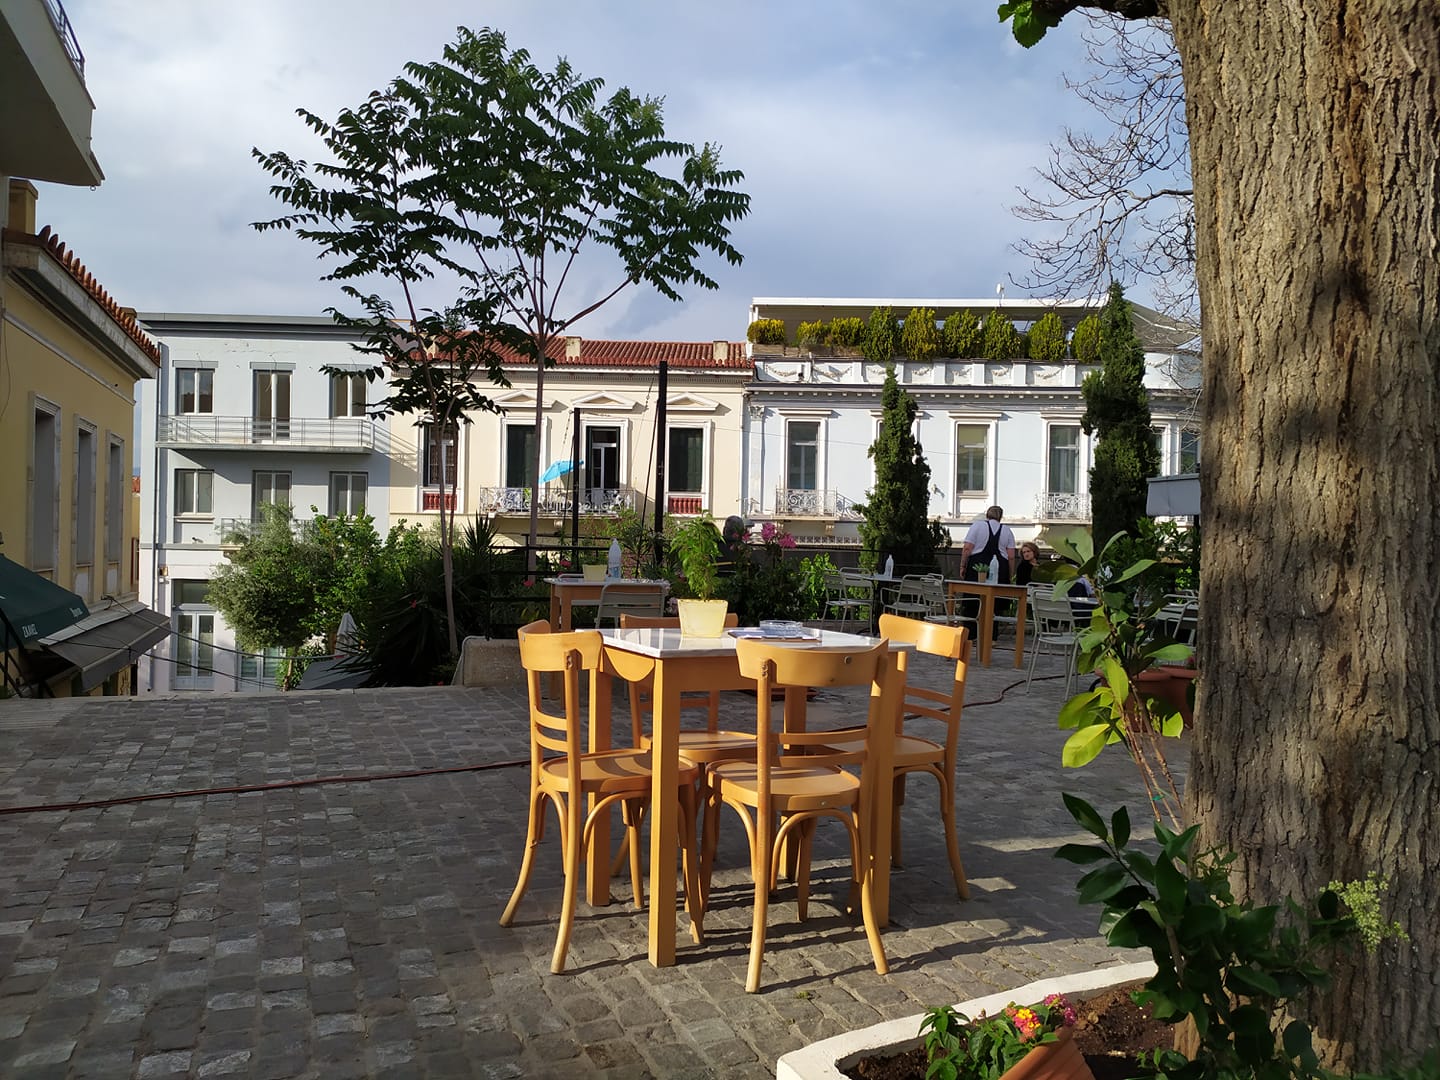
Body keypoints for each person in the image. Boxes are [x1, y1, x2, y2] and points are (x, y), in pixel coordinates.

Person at [959, 506, 1016, 584]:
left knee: (974, 590)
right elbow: (1011, 556)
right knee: (999, 591)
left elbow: (967, 548)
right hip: (1000, 569)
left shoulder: (977, 526)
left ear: (987, 515)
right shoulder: (1007, 530)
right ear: (1000, 517)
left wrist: (963, 566)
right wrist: (1011, 574)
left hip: (977, 567)